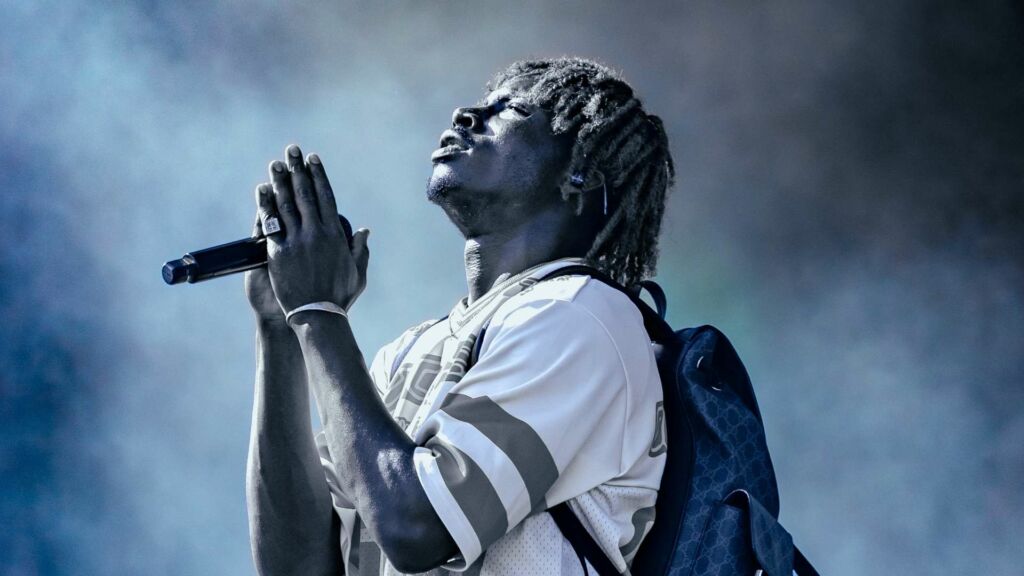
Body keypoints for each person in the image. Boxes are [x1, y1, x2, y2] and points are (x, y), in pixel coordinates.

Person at [244, 57, 675, 575]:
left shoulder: (582, 318)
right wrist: (282, 327)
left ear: (581, 176)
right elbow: (296, 569)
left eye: (510, 109)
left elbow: (417, 528)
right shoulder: (409, 350)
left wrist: (319, 313)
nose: (466, 114)